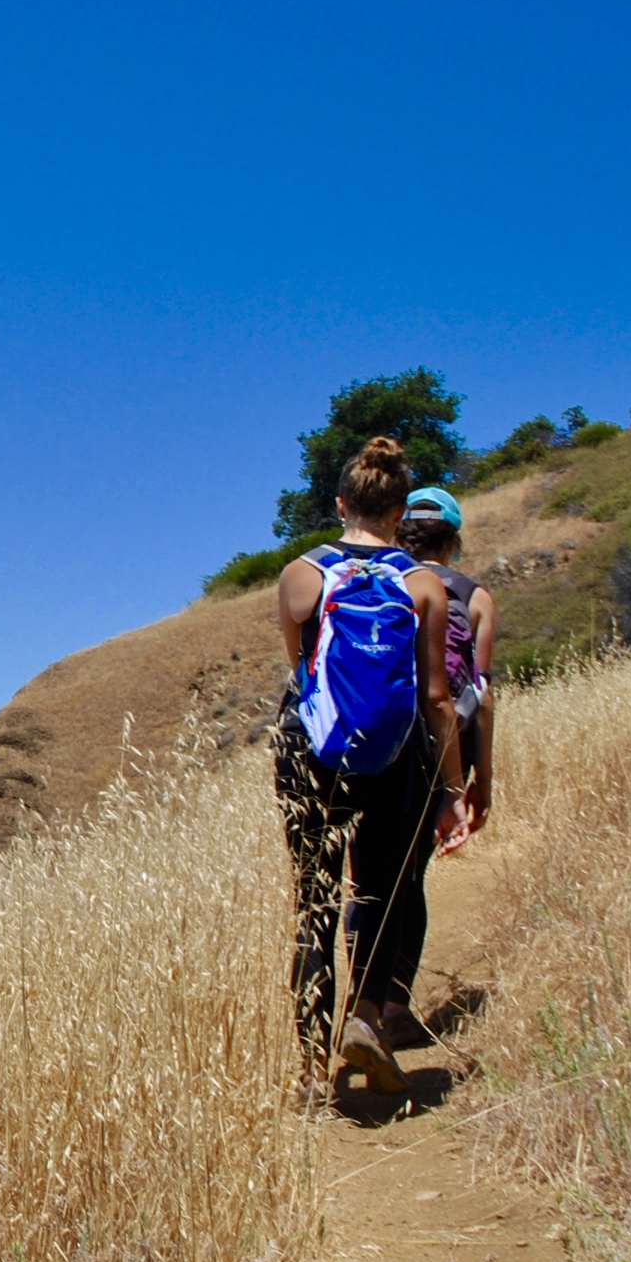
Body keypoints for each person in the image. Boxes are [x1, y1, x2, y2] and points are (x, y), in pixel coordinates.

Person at [272, 437, 468, 1102]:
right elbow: (436, 697)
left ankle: (309, 1071)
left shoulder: (301, 575)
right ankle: (364, 1018)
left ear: (341, 504)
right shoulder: (423, 585)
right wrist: (453, 788)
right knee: (379, 892)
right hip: (393, 753)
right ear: (398, 512)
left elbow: (302, 671)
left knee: (315, 901)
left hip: (311, 751)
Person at [399, 485, 495, 861]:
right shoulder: (475, 598)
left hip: (383, 733)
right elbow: (481, 695)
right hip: (445, 746)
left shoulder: (383, 585)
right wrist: (482, 780)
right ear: (453, 541)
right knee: (413, 868)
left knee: (376, 869)